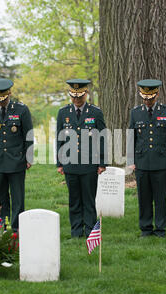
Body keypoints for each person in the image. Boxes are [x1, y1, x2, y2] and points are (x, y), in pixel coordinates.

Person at [127, 79, 166, 238]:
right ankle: (145, 228)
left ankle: (160, 229)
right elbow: (131, 137)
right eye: (145, 98)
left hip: (161, 162)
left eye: (150, 98)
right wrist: (131, 160)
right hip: (142, 162)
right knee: (144, 198)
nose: (147, 101)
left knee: (160, 198)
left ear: (156, 95)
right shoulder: (135, 112)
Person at [0, 78, 33, 232]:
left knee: (17, 197)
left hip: (17, 160)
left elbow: (28, 135)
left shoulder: (21, 110)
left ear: (9, 93)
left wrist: (29, 158)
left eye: (3, 98)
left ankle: (17, 227)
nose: (0, 102)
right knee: (0, 196)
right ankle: (0, 225)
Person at [56, 79, 107, 238]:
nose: (76, 99)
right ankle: (76, 231)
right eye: (73, 96)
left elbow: (102, 138)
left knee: (89, 200)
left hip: (89, 164)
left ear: (86, 94)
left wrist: (102, 162)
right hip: (70, 163)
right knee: (74, 200)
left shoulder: (95, 112)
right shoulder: (63, 113)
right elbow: (59, 139)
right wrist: (59, 162)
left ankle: (91, 231)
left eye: (80, 96)